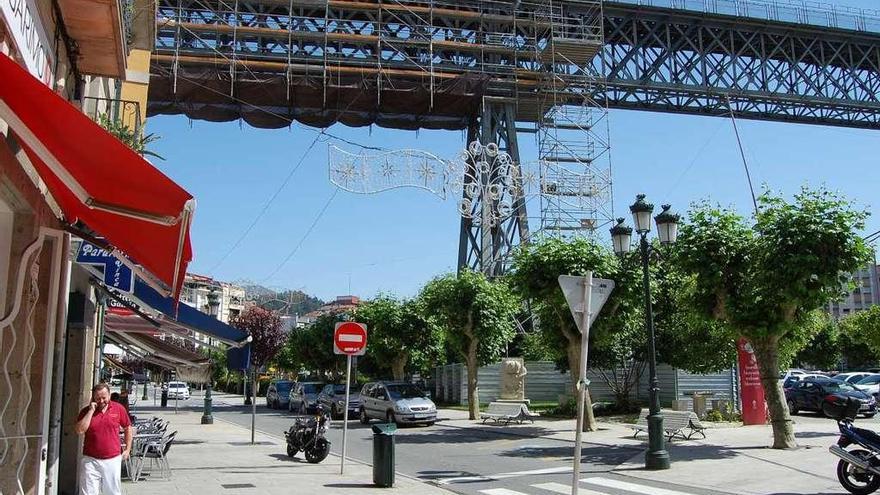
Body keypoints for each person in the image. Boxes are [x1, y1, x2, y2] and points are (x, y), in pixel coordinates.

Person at [74, 382, 132, 494]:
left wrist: (128, 449)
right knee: (88, 492)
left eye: (104, 398)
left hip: (112, 458)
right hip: (90, 459)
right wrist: (91, 411)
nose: (101, 401)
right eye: (97, 398)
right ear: (93, 397)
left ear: (109, 395)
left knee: (112, 491)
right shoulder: (86, 411)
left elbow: (127, 427)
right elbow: (79, 430)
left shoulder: (118, 409)